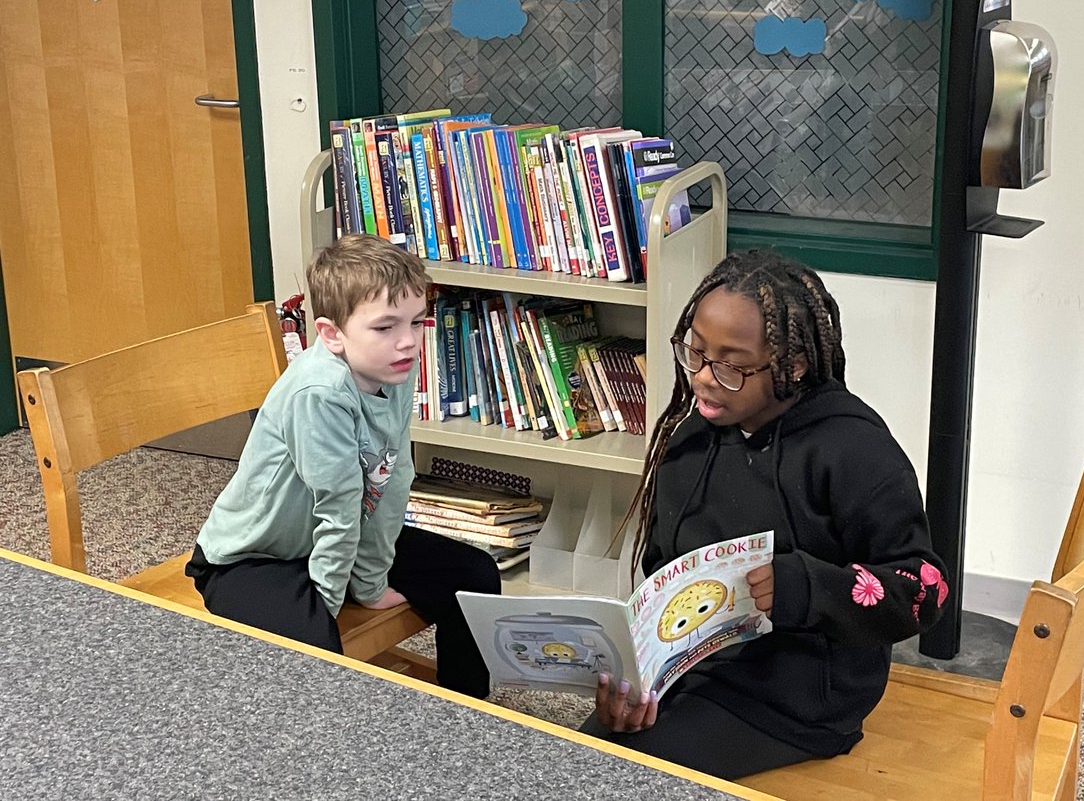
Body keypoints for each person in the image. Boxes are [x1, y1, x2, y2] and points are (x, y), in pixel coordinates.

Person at [581, 249, 948, 779]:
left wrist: (804, 586)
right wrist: (635, 678)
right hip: (690, 673)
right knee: (574, 757)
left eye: (731, 365)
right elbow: (662, 573)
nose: (704, 377)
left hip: (799, 696)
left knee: (614, 776)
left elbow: (923, 589)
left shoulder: (854, 451)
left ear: (791, 365)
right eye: (695, 352)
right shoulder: (688, 441)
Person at [185, 233, 500, 698]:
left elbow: (391, 481)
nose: (408, 343)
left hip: (342, 533)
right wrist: (335, 601)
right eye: (385, 327)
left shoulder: (392, 366)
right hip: (251, 558)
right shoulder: (319, 393)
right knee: (317, 645)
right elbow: (339, 504)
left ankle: (468, 712)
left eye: (416, 323)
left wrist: (370, 579)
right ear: (332, 334)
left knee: (475, 575)